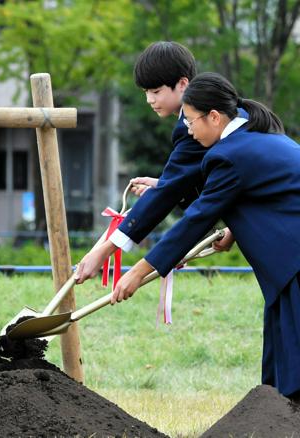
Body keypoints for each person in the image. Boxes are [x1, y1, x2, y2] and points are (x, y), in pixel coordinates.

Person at [111, 72, 300, 402]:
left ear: (214, 117)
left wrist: (138, 272)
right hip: (288, 266)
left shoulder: (227, 155)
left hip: (294, 266)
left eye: (191, 121)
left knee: (294, 372)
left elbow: (197, 219)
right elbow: (274, 196)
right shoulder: (257, 136)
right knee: (282, 375)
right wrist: (234, 230)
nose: (187, 130)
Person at [74, 41, 205, 284]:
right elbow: (204, 181)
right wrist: (164, 184)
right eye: (145, 92)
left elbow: (166, 198)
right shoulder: (201, 116)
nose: (149, 100)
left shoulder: (193, 126)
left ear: (183, 84)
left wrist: (102, 252)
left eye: (155, 91)